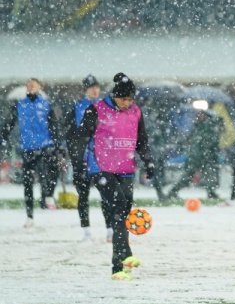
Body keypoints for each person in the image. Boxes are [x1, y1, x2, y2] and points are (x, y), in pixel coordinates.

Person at [71, 73, 156, 281]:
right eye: (123, 99)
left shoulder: (135, 111)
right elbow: (79, 138)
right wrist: (78, 167)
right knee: (118, 205)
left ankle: (125, 258)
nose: (127, 103)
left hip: (126, 168)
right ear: (115, 95)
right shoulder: (97, 109)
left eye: (130, 99)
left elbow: (141, 140)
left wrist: (149, 161)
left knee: (124, 211)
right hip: (100, 168)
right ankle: (117, 265)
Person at [1, 78, 62, 228]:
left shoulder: (46, 104)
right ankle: (30, 215)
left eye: (33, 85)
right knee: (27, 182)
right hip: (28, 147)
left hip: (45, 145)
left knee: (48, 172)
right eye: (28, 85)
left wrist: (57, 144)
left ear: (40, 87)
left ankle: (47, 196)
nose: (30, 87)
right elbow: (9, 123)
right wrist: (3, 137)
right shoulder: (20, 104)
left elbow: (54, 125)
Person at [63, 74, 113, 241]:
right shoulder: (77, 108)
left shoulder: (105, 107)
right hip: (83, 158)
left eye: (97, 87)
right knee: (83, 195)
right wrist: (72, 153)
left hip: (101, 159)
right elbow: (70, 133)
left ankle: (110, 230)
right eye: (92, 87)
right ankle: (86, 231)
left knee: (106, 194)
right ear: (86, 90)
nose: (95, 90)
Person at [165, 103, 223, 200]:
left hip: (202, 155)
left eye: (200, 115)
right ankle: (173, 191)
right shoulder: (203, 127)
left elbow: (210, 141)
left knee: (207, 176)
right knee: (194, 176)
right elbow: (210, 142)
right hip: (199, 156)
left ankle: (210, 192)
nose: (197, 117)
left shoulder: (206, 127)